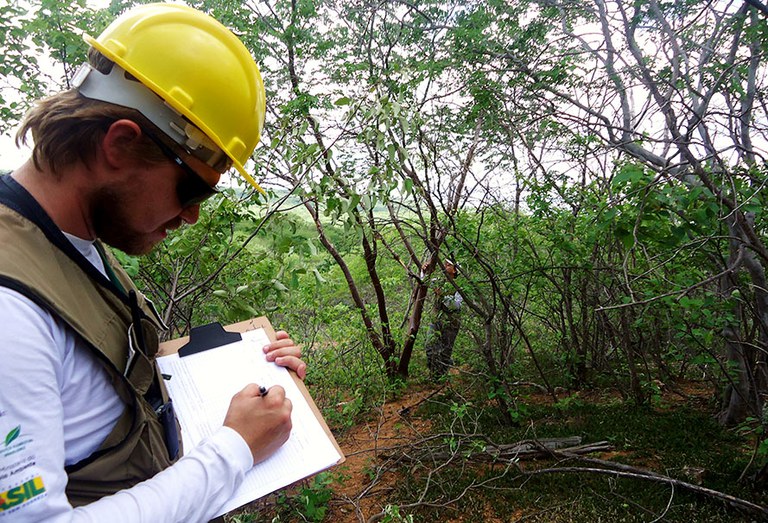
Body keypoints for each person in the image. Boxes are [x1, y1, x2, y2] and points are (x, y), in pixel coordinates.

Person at [0, 4, 307, 521]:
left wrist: (249, 371)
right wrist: (236, 447)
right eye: (192, 188)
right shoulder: (9, 310)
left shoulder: (69, 240)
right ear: (121, 143)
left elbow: (98, 390)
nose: (190, 215)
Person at [424, 260, 463, 380]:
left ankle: (440, 378)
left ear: (455, 270)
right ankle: (434, 376)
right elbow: (424, 282)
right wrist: (424, 271)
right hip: (436, 320)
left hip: (451, 323)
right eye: (444, 264)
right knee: (430, 346)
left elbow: (456, 305)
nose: (444, 266)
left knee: (445, 351)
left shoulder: (460, 285)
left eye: (448, 264)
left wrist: (442, 295)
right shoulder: (439, 281)